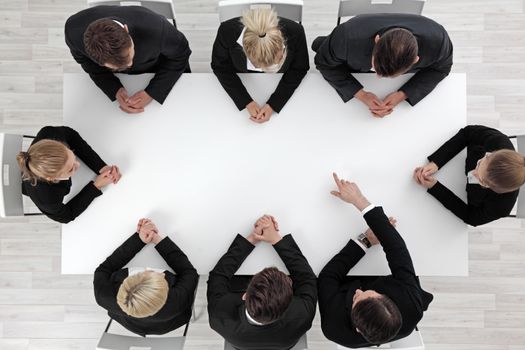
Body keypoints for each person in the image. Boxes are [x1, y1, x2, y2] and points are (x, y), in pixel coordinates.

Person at [319, 173, 433, 348]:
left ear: (357, 328)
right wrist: (359, 200)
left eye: (357, 299)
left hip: (343, 282)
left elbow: (327, 276)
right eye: (371, 293)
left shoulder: (333, 327)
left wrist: (365, 240)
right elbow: (398, 251)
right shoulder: (411, 305)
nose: (358, 291)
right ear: (389, 301)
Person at [207, 215, 317, 349]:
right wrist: (276, 239)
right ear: (289, 302)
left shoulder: (219, 318)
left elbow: (218, 276)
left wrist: (252, 238)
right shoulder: (302, 315)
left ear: (245, 295)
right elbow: (306, 278)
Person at [313, 14, 453, 118]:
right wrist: (361, 94)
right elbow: (324, 64)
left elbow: (441, 68)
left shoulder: (439, 42)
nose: (378, 77)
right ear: (377, 40)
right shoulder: (346, 36)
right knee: (321, 47)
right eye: (377, 69)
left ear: (415, 60)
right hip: (351, 51)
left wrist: (402, 94)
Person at [65, 6, 191, 114]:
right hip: (120, 79)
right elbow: (87, 63)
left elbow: (181, 54)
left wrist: (153, 92)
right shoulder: (73, 31)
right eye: (117, 65)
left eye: (130, 54)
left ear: (126, 29)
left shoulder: (157, 28)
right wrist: (114, 89)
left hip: (159, 67)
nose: (130, 64)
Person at [94, 218, 199, 336]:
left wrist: (139, 240)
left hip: (130, 324)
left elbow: (103, 269)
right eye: (161, 278)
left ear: (127, 281)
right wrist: (157, 240)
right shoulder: (175, 303)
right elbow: (189, 273)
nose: (162, 273)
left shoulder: (103, 296)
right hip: (165, 325)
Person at [211, 8, 309, 124]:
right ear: (245, 50)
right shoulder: (226, 31)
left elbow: (299, 68)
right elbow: (220, 67)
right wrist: (245, 100)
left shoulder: (296, 32)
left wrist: (274, 104)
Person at [414, 125, 525, 226]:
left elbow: (471, 217)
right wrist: (437, 162)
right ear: (491, 154)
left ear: (495, 190)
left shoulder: (501, 207)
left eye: (481, 180)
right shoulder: (498, 141)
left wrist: (436, 187)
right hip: (460, 159)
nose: (473, 173)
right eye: (480, 163)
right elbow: (467, 133)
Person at [16, 126, 121, 223]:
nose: (78, 165)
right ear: (52, 178)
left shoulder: (49, 133)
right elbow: (67, 215)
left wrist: (100, 166)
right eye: (71, 169)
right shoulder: (47, 200)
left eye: (72, 155)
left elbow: (71, 135)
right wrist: (96, 186)